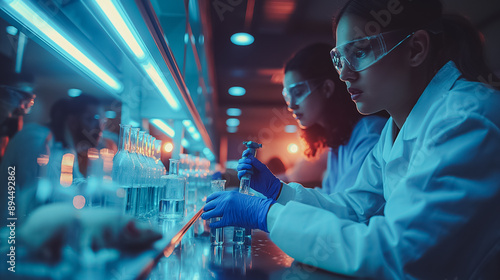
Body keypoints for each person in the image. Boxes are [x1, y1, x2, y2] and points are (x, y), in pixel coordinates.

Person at [201, 0, 500, 278]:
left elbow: (396, 253)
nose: (344, 74)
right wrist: (279, 193)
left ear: (415, 49)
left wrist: (266, 215)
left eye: (360, 52)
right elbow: (357, 210)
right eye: (339, 59)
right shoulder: (394, 130)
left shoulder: (464, 119)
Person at [281, 43, 386, 193]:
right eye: (287, 97)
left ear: (327, 88)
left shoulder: (369, 132)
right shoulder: (339, 142)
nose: (291, 105)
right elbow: (330, 197)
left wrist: (277, 195)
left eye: (298, 93)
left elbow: (350, 206)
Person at [0, 94, 105, 219]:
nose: (99, 128)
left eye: (102, 121)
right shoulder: (37, 138)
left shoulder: (66, 149)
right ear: (72, 121)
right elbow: (36, 199)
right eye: (92, 119)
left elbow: (77, 186)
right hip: (12, 232)